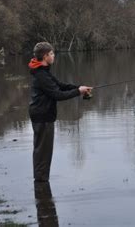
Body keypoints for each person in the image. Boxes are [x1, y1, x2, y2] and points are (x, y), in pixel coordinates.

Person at [28, 42, 92, 182]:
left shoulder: (43, 71)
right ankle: (41, 182)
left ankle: (41, 183)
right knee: (43, 151)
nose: (53, 56)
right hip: (42, 116)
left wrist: (79, 88)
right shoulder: (41, 75)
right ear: (45, 56)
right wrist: (77, 92)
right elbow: (57, 95)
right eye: (51, 54)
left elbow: (60, 86)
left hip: (42, 115)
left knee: (42, 150)